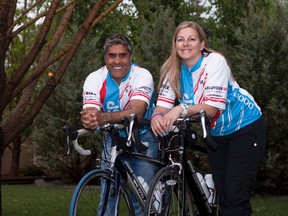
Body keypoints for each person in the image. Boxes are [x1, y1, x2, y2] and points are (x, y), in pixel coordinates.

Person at [151, 21, 266, 216]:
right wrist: (156, 117)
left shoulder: (214, 62)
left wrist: (180, 109)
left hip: (246, 126)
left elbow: (211, 109)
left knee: (234, 196)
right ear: (175, 44)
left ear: (202, 44)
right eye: (180, 39)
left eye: (191, 39)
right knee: (223, 195)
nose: (185, 43)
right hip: (218, 133)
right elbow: (162, 107)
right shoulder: (172, 70)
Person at [81, 34, 158, 215]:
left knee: (141, 198)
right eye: (112, 55)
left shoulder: (142, 75)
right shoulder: (94, 78)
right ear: (105, 58)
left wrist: (103, 117)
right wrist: (89, 119)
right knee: (108, 194)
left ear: (130, 57)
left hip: (143, 136)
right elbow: (92, 114)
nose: (117, 61)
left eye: (122, 55)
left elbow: (136, 111)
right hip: (113, 138)